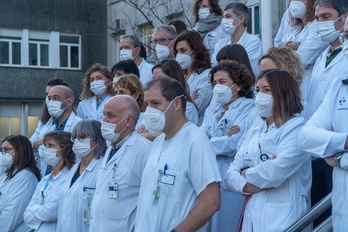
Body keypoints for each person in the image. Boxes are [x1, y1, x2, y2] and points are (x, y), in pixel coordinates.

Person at [225, 70, 311, 232]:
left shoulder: (297, 127)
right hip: (252, 214)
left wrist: (246, 172)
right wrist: (246, 186)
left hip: (284, 218)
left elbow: (275, 172)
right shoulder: (255, 130)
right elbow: (230, 175)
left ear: (283, 92)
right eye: (257, 90)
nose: (260, 95)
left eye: (267, 90)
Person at [135, 77, 221, 232]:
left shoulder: (196, 141)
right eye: (147, 105)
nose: (150, 111)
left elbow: (211, 201)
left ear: (176, 104)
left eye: (156, 103)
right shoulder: (158, 142)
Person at [298, 16, 348, 231]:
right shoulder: (340, 86)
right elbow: (306, 136)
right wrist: (343, 142)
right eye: (346, 37)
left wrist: (338, 156)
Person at [201, 61, 254, 232]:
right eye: (215, 83)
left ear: (237, 85)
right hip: (210, 170)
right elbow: (200, 137)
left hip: (231, 171)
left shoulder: (248, 107)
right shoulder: (213, 107)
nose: (217, 86)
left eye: (222, 82)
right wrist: (221, 138)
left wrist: (211, 140)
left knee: (227, 224)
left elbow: (235, 143)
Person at [90, 95, 151, 232]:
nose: (104, 120)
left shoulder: (144, 150)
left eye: (110, 116)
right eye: (104, 115)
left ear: (129, 120)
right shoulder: (111, 148)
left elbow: (148, 202)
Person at [56, 120, 107, 232]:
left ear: (98, 140)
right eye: (75, 137)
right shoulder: (74, 168)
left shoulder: (103, 168)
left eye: (83, 136)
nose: (78, 141)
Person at [24, 131, 75, 231]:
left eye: (51, 145)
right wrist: (43, 215)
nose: (46, 149)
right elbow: (26, 216)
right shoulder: (45, 179)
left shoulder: (69, 178)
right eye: (45, 145)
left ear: (65, 149)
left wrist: (34, 210)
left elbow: (50, 213)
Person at [305, 0, 348, 119]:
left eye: (326, 16)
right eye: (317, 18)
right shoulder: (322, 58)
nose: (320, 22)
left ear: (345, 17)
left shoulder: (345, 55)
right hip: (315, 130)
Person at [278, 0, 328, 101]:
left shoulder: (317, 26)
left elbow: (303, 58)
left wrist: (287, 48)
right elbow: (276, 55)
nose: (295, 2)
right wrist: (296, 46)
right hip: (290, 86)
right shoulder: (295, 29)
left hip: (307, 85)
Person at [30, 85, 81, 177]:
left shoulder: (78, 125)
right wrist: (37, 143)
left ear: (69, 101)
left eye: (56, 98)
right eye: (49, 98)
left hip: (67, 174)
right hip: (46, 173)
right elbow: (31, 143)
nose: (51, 102)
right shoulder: (46, 124)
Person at [0, 135, 41, 232]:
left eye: (7, 149)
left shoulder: (25, 178)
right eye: (2, 150)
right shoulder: (6, 175)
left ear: (21, 151)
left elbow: (12, 215)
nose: (2, 153)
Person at [211, 3, 263, 76]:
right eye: (223, 17)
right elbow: (214, 68)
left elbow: (248, 70)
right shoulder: (220, 43)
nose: (224, 20)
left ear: (241, 19)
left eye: (228, 16)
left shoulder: (253, 41)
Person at [174, 30, 212, 124]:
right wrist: (189, 99)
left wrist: (182, 103)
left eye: (183, 50)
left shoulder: (206, 75)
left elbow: (197, 107)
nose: (179, 54)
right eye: (177, 51)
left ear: (195, 51)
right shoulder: (179, 76)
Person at [152, 58, 199, 125]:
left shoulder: (188, 109)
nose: (155, 83)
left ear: (173, 79)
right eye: (153, 79)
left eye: (160, 79)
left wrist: (151, 135)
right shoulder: (152, 106)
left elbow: (182, 133)